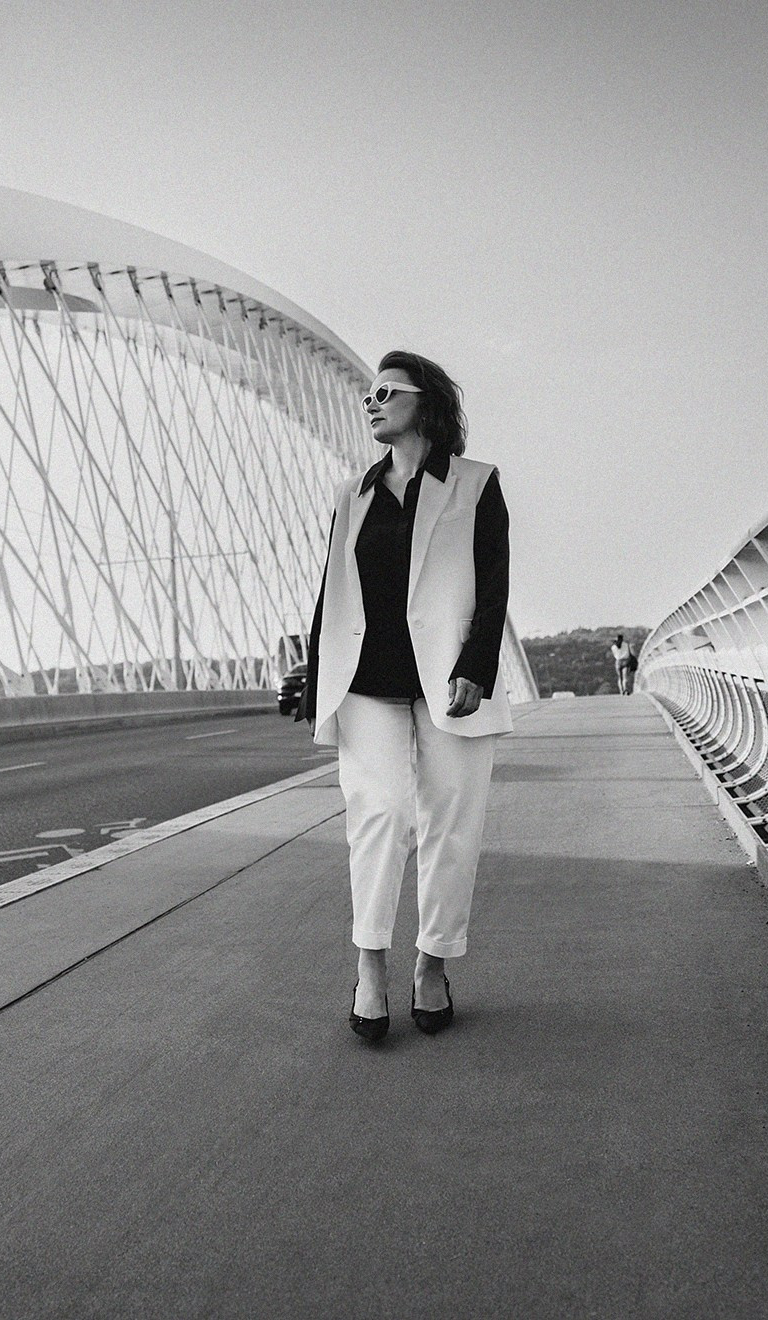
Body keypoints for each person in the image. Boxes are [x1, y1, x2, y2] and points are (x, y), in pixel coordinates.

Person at [297, 350, 511, 1042]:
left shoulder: (475, 485)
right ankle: (369, 965)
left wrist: (477, 663)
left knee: (452, 822)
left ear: (426, 402)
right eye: (367, 394)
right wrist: (313, 672)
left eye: (386, 391)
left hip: (450, 681)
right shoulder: (349, 493)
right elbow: (330, 591)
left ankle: (432, 964)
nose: (370, 402)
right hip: (364, 680)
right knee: (380, 814)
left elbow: (493, 580)